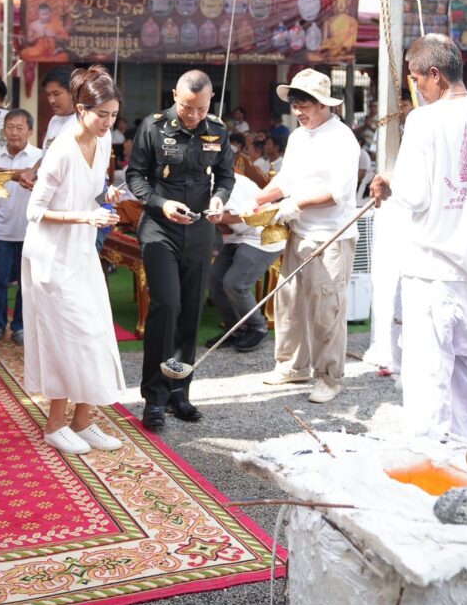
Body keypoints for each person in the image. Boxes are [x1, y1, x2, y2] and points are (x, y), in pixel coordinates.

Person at [370, 37, 467, 448]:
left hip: (431, 274)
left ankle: (430, 466)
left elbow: (415, 196)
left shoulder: (423, 121)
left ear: (435, 75)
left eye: (417, 79)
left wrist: (390, 182)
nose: (417, 87)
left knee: (428, 382)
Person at [22, 65, 124, 455]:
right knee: (67, 339)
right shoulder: (62, 150)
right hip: (51, 257)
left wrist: (106, 196)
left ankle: (82, 420)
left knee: (96, 335)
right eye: (102, 115)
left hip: (81, 253)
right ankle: (54, 424)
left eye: (114, 115)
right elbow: (35, 210)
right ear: (81, 110)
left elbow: (93, 190)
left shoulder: (104, 141)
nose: (108, 123)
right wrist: (86, 216)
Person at [126, 69, 235, 431]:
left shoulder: (217, 129)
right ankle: (154, 398)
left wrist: (219, 199)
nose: (194, 116)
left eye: (201, 109)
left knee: (190, 310)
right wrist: (160, 203)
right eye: (188, 108)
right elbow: (135, 175)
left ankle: (178, 392)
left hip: (200, 229)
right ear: (175, 95)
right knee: (167, 306)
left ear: (211, 100)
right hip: (161, 228)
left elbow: (226, 176)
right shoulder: (154, 126)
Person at [256, 69, 360, 404]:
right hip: (299, 230)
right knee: (289, 301)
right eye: (295, 104)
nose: (299, 111)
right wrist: (256, 199)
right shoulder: (299, 136)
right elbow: (285, 179)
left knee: (327, 308)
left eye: (305, 104)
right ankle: (292, 365)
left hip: (332, 235)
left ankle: (329, 376)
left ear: (324, 104)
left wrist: (296, 203)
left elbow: (339, 193)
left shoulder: (342, 138)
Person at [0, 109, 41, 346]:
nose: (14, 133)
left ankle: (20, 326)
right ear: (3, 130)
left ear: (30, 131)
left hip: (30, 230)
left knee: (26, 283)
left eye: (19, 128)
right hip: (2, 229)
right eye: (10, 127)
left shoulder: (39, 158)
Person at [207, 172, 284, 353]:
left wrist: (212, 216)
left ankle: (258, 328)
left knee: (235, 283)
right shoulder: (205, 180)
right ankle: (235, 329)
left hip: (264, 232)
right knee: (215, 278)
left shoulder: (222, 181)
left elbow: (244, 215)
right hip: (241, 235)